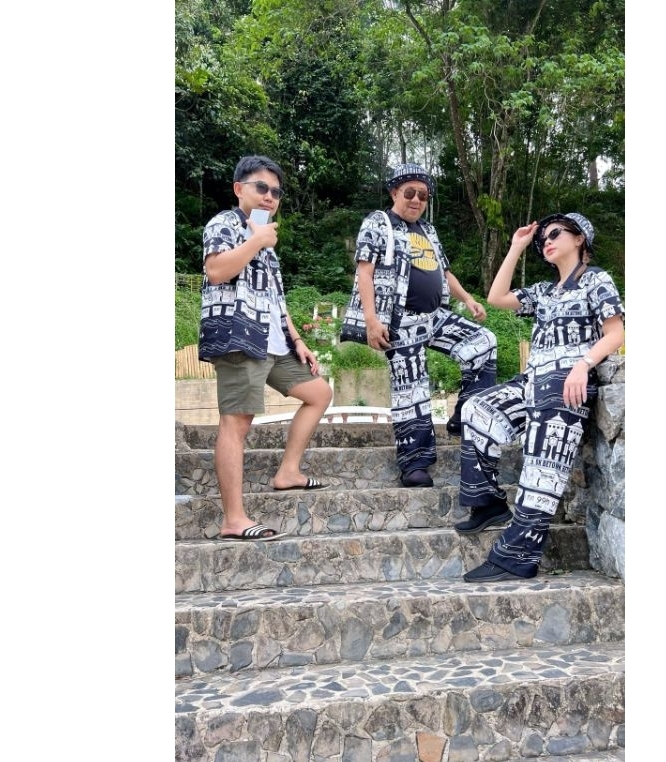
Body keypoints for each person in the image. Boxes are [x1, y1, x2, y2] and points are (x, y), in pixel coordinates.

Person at [455, 212, 625, 582]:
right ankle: (487, 502)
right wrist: (516, 246)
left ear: (579, 238)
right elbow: (496, 297)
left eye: (555, 234)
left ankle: (518, 555)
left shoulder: (595, 280)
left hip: (566, 383)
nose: (546, 241)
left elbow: (616, 333)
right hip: (532, 380)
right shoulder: (544, 291)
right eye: (543, 238)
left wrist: (583, 365)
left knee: (542, 463)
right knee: (477, 409)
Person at [198, 155, 333, 541]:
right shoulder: (225, 223)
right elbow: (216, 271)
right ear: (238, 188)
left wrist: (298, 340)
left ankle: (288, 472)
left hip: (273, 341)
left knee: (319, 393)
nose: (270, 196)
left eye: (276, 191)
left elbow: (276, 298)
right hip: (239, 335)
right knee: (237, 422)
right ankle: (234, 519)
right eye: (261, 187)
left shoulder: (267, 241)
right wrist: (256, 239)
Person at [349, 163, 498, 487]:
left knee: (483, 343)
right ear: (394, 193)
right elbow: (364, 272)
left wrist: (468, 298)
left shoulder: (428, 230)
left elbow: (444, 271)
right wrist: (372, 320)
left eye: (423, 195)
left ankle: (465, 415)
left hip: (435, 316)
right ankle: (414, 463)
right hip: (400, 319)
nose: (417, 199)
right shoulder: (379, 222)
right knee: (411, 389)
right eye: (410, 193)